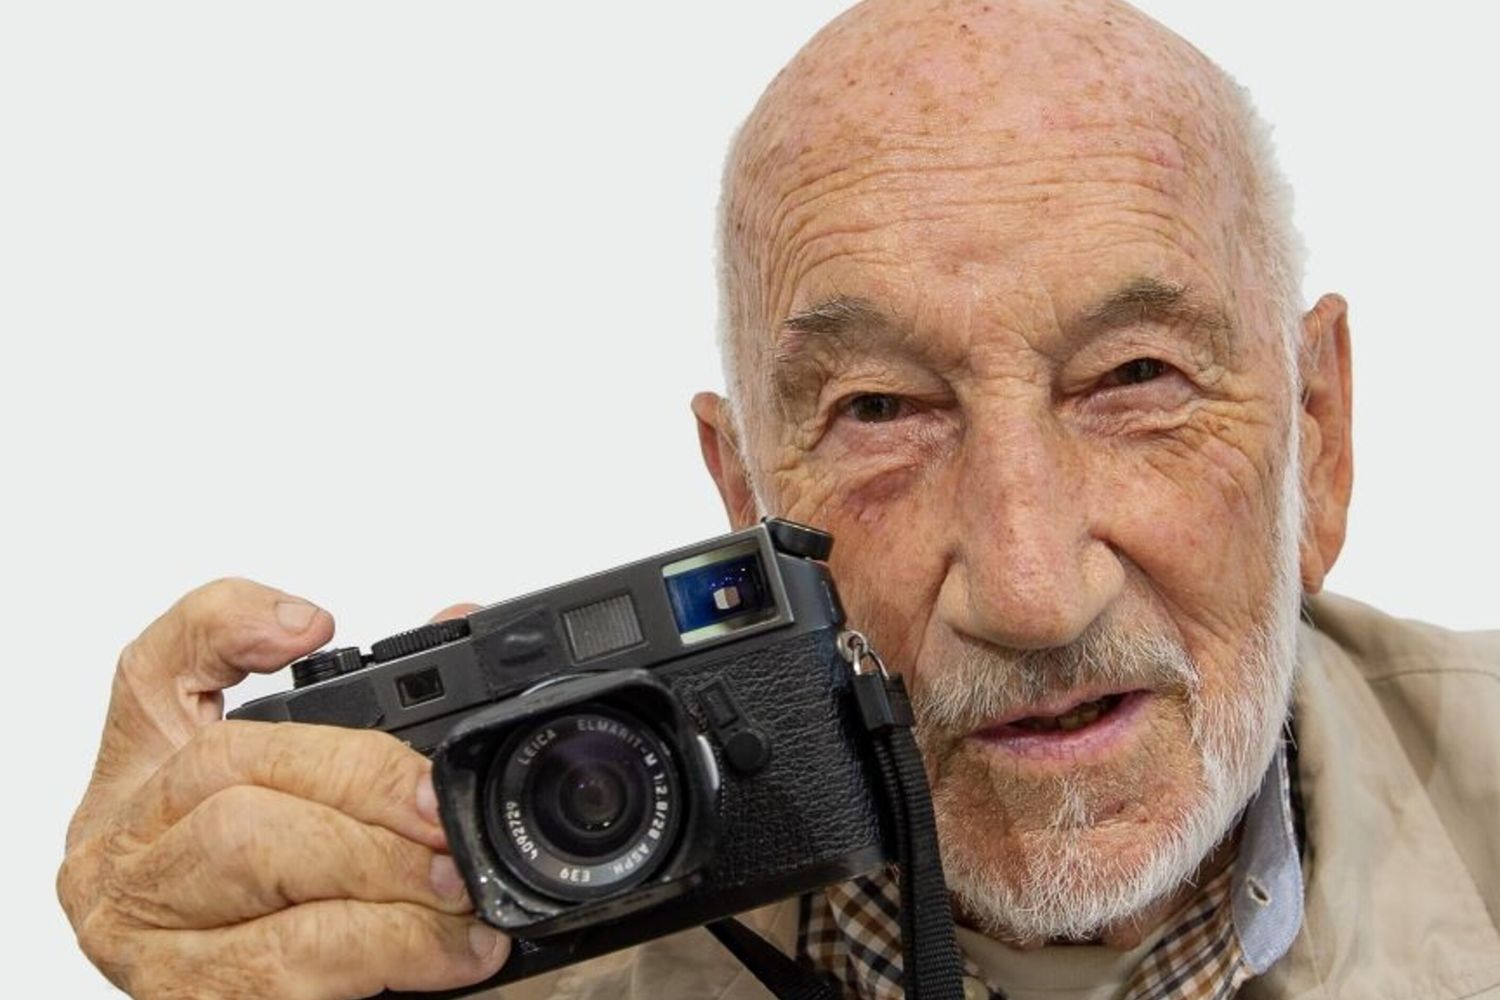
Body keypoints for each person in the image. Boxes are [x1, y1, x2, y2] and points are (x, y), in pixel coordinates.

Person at [58, 0, 1500, 998]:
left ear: (1320, 432)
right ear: (747, 509)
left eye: (1134, 376)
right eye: (879, 410)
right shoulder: (444, 925)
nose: (1029, 583)